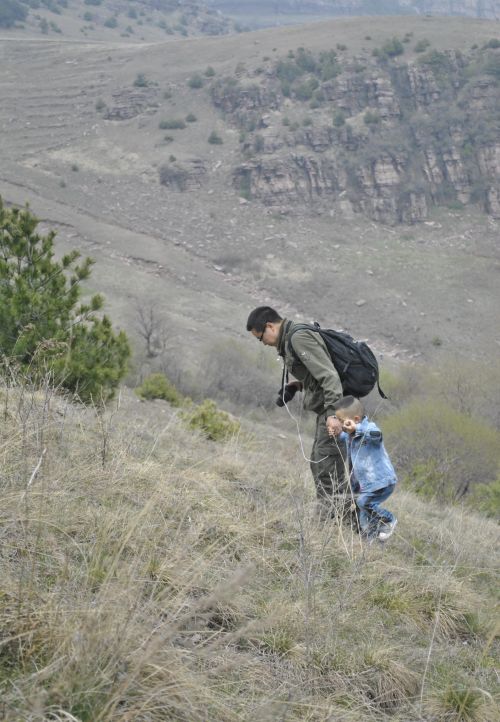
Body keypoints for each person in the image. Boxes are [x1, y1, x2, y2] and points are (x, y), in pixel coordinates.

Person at [246, 306, 352, 522]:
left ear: (270, 327)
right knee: (323, 464)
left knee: (325, 466)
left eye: (261, 338)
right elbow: (317, 376)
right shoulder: (291, 339)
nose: (263, 343)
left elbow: (330, 377)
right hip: (331, 408)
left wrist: (334, 416)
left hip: (334, 410)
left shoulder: (298, 338)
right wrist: (296, 386)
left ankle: (331, 526)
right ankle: (344, 523)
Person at [332, 396, 397, 541]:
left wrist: (358, 428)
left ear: (355, 419)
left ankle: (388, 519)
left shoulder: (370, 429)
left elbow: (377, 435)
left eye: (343, 422)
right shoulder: (349, 434)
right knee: (364, 519)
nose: (341, 425)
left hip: (382, 481)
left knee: (363, 502)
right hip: (366, 485)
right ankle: (371, 544)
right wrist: (335, 431)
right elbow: (342, 436)